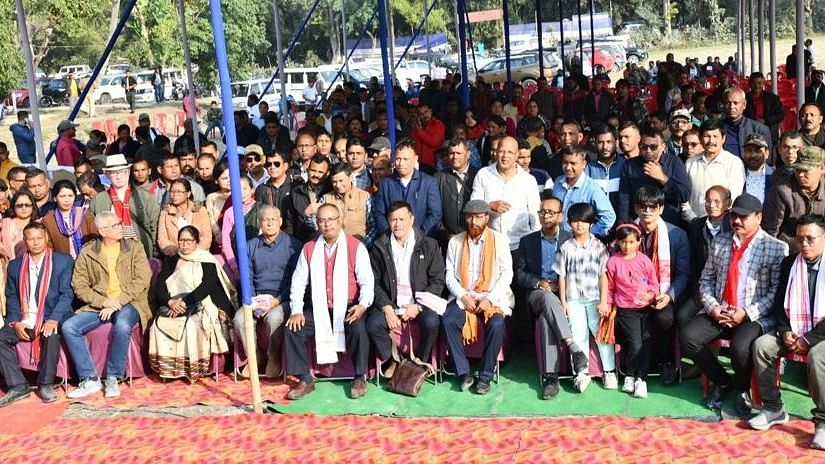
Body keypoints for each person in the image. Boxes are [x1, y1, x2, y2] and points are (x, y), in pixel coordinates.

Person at [681, 194, 788, 417]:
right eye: (734, 216)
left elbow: (775, 293)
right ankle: (722, 380)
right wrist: (713, 307)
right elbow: (706, 279)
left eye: (743, 217)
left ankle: (741, 390)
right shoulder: (720, 241)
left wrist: (746, 313)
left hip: (753, 314)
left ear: (758, 217)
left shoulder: (776, 247)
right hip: (721, 308)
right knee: (688, 337)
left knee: (741, 348)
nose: (736, 221)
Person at [749, 215, 825, 449]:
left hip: (821, 335)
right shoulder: (789, 263)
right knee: (762, 346)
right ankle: (773, 408)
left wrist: (808, 339)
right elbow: (780, 304)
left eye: (810, 239)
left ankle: (822, 423)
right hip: (793, 329)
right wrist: (784, 331)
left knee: (817, 356)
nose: (804, 244)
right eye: (800, 239)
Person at [284, 204, 375, 400]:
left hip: (349, 306)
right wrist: (297, 310)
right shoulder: (310, 248)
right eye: (322, 221)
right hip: (319, 308)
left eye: (331, 219)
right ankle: (305, 379)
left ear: (340, 220)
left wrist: (362, 305)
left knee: (358, 328)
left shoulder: (355, 246)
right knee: (293, 327)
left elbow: (367, 281)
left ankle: (360, 377)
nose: (327, 225)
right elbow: (298, 281)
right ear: (317, 224)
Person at [62, 212, 151, 399]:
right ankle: (90, 378)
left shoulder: (134, 247)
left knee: (123, 324)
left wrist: (117, 302)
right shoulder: (88, 252)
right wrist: (103, 302)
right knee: (69, 327)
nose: (121, 227)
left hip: (129, 302)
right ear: (103, 231)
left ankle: (112, 377)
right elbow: (79, 285)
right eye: (116, 225)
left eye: (120, 223)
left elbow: (143, 279)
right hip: (99, 305)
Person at [513, 195, 587, 398]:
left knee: (547, 319)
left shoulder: (569, 240)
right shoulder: (527, 241)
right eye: (542, 212)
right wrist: (539, 283)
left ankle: (550, 378)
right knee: (546, 298)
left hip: (564, 292)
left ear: (560, 216)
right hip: (537, 294)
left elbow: (578, 270)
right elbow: (520, 275)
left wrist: (559, 285)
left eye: (551, 212)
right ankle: (573, 347)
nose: (545, 216)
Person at [442, 199, 513, 395]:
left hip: (492, 297)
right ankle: (463, 372)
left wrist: (489, 299)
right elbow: (449, 275)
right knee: (448, 320)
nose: (474, 222)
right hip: (464, 296)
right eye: (470, 217)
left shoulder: (499, 240)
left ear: (487, 218)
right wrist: (463, 296)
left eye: (479, 217)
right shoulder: (455, 241)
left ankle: (485, 376)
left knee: (497, 324)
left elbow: (507, 274)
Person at [366, 201, 445, 376]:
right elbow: (374, 282)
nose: (397, 224)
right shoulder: (379, 246)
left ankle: (419, 362)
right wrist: (386, 307)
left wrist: (418, 306)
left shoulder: (428, 244)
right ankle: (392, 359)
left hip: (420, 302)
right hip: (391, 302)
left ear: (412, 219)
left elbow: (438, 280)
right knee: (373, 324)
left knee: (432, 323)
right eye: (393, 220)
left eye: (402, 219)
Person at [149, 226, 235, 381]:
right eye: (181, 240)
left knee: (191, 325)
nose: (184, 244)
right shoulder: (171, 261)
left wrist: (183, 303)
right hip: (173, 304)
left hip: (199, 302)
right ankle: (169, 369)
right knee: (158, 324)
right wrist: (171, 302)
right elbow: (160, 286)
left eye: (189, 241)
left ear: (196, 242)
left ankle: (191, 369)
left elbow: (206, 287)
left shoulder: (206, 260)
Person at [0, 223, 73, 405]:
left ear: (46, 238)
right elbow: (12, 297)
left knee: (51, 334)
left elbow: (66, 294)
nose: (36, 242)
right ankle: (18, 386)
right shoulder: (16, 266)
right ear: (25, 241)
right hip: (25, 318)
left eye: (39, 238)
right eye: (31, 239)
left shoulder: (63, 261)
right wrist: (15, 323)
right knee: (0, 338)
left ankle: (45, 384)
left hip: (50, 315)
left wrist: (54, 319)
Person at [553, 202, 616, 392]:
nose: (578, 225)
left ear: (591, 223)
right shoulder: (565, 248)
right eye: (574, 221)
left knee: (601, 334)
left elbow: (603, 276)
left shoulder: (599, 247)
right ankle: (581, 372)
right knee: (577, 334)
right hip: (573, 299)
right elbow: (561, 276)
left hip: (595, 298)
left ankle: (609, 371)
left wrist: (604, 300)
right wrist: (563, 301)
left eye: (583, 221)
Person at [234, 206, 301, 378]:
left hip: (281, 298)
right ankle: (255, 357)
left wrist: (277, 300)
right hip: (257, 296)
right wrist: (253, 301)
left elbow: (296, 280)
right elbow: (247, 277)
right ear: (259, 223)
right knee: (240, 319)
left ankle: (273, 357)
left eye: (273, 219)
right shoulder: (251, 246)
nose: (269, 223)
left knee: (274, 318)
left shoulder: (293, 245)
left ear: (280, 222)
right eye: (265, 220)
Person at [607, 223, 660, 398]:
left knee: (646, 343)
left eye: (631, 242)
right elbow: (609, 287)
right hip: (625, 310)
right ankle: (629, 375)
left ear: (639, 242)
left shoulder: (644, 261)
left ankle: (641, 379)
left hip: (644, 309)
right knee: (635, 344)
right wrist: (607, 303)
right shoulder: (613, 261)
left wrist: (652, 295)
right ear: (618, 242)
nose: (627, 246)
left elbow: (654, 283)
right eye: (623, 242)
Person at [471, 136, 541, 251]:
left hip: (520, 245)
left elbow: (535, 216)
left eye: (510, 152)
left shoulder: (528, 180)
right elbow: (473, 206)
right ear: (496, 152)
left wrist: (533, 245)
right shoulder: (483, 174)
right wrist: (489, 206)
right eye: (502, 151)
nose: (505, 156)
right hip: (490, 244)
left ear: (517, 155)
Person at [89, 154, 160, 258]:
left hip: (142, 252)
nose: (118, 176)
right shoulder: (98, 201)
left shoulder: (145, 197)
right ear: (107, 175)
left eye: (122, 172)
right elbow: (94, 230)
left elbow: (155, 227)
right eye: (114, 173)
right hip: (111, 254)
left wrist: (155, 256)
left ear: (128, 172)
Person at [617, 126, 690, 226]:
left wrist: (662, 178)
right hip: (638, 224)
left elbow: (684, 195)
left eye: (653, 147)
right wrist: (623, 224)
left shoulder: (674, 162)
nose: (648, 151)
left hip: (668, 223)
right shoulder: (630, 165)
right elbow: (624, 198)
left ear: (663, 146)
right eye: (644, 146)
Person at [373, 139, 442, 237]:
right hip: (392, 240)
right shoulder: (386, 184)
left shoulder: (428, 182)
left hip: (421, 240)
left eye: (405, 159)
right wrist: (390, 235)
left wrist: (419, 236)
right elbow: (379, 214)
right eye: (398, 159)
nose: (401, 163)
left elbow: (435, 214)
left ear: (415, 159)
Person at [681, 119, 746, 221]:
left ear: (723, 138)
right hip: (693, 222)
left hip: (723, 223)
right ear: (701, 139)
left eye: (715, 136)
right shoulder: (690, 162)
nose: (711, 141)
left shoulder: (734, 163)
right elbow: (684, 194)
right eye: (707, 136)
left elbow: (733, 198)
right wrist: (692, 219)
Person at [763, 146, 825, 251]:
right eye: (797, 169)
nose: (800, 175)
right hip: (790, 250)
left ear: (822, 168)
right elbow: (770, 231)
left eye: (805, 170)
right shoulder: (781, 190)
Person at [552, 146, 616, 237]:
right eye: (565, 163)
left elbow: (609, 217)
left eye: (573, 163)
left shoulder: (592, 188)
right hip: (557, 239)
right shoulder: (558, 182)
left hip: (580, 244)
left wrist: (589, 233)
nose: (568, 167)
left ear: (584, 164)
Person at [435, 139, 479, 242]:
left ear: (468, 154)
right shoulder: (439, 178)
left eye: (459, 153)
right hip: (449, 239)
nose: (455, 157)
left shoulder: (479, 175)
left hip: (475, 238)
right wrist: (446, 235)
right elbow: (435, 211)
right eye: (451, 153)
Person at [42, 180, 98, 258]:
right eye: (62, 196)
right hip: (63, 263)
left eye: (70, 196)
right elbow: (49, 246)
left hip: (87, 260)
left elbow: (94, 239)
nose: (67, 200)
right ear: (55, 198)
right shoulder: (49, 220)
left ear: (75, 196)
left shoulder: (85, 214)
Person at [157, 178, 212, 257]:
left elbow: (206, 236)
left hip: (199, 256)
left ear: (188, 194)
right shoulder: (165, 213)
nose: (174, 194)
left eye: (179, 192)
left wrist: (194, 252)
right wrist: (178, 251)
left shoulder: (200, 210)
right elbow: (162, 239)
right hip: (175, 256)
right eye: (172, 191)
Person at [321, 163, 374, 244]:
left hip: (359, 247)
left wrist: (363, 246)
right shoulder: (326, 198)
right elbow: (318, 224)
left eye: (341, 181)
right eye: (334, 182)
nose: (338, 185)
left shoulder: (365, 196)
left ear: (350, 177)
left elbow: (373, 227)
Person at [221, 176, 260, 281]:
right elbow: (226, 242)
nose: (241, 192)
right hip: (237, 259)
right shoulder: (229, 212)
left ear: (252, 190)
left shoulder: (261, 209)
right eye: (237, 189)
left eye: (244, 188)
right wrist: (234, 268)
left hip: (259, 261)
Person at [720, 87, 772, 158]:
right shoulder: (716, 129)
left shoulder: (760, 129)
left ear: (744, 105)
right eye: (728, 103)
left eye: (735, 103)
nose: (731, 107)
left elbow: (768, 159)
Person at [745, 72, 784, 145]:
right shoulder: (744, 98)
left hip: (768, 130)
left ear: (763, 83)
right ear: (749, 83)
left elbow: (780, 115)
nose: (756, 86)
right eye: (754, 83)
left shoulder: (772, 98)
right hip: (749, 130)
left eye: (759, 83)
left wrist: (765, 121)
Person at [0, 190, 40, 261]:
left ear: (32, 206)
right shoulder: (4, 223)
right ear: (13, 206)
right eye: (19, 205)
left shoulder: (39, 224)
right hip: (4, 265)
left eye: (27, 205)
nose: (23, 208)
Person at [411, 102, 446, 171]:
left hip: (433, 164)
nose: (424, 115)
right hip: (418, 164)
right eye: (421, 114)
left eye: (426, 112)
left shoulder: (438, 124)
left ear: (431, 111)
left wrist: (420, 132)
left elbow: (434, 142)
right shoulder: (416, 126)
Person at [742, 133, 775, 203]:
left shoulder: (775, 176)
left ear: (766, 154)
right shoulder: (737, 175)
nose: (753, 155)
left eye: (758, 151)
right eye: (749, 150)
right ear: (744, 153)